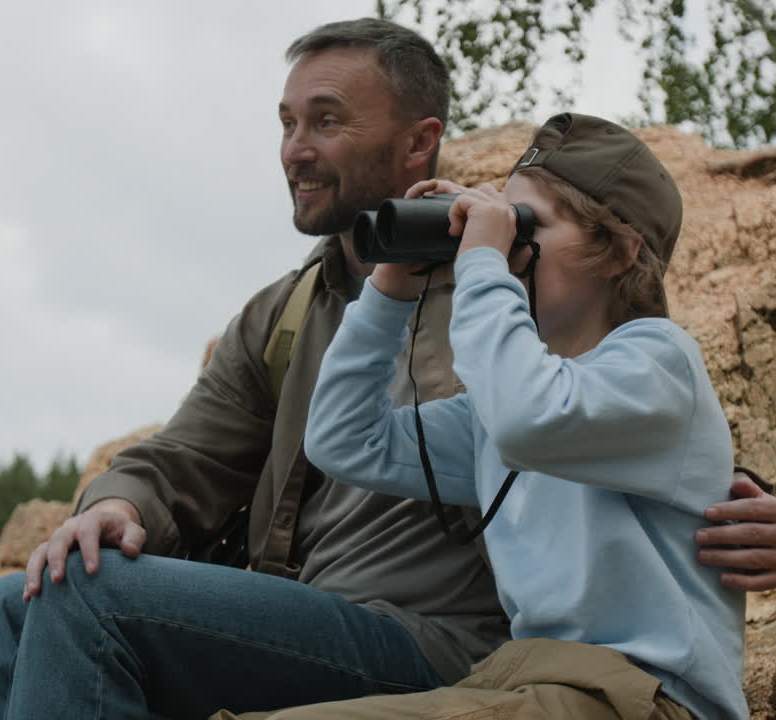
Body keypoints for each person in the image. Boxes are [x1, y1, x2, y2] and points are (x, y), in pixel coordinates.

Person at [0, 19, 776, 720]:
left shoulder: (517, 308)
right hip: (301, 613)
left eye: (325, 121)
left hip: (447, 637)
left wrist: (743, 497)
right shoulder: (285, 314)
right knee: (10, 605)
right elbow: (209, 453)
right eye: (285, 123)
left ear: (418, 141)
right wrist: (117, 503)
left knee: (87, 603)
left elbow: (602, 420)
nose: (295, 149)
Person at [251, 113, 747, 719]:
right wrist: (390, 286)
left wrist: (484, 260)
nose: (501, 241)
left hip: (645, 698)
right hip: (527, 683)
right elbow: (343, 441)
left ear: (619, 251)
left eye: (525, 225)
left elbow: (530, 419)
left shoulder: (660, 361)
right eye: (502, 219)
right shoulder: (509, 407)